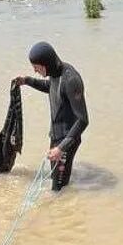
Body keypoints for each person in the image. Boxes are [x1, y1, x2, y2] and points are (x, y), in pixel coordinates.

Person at [13, 41, 89, 191]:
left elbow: (83, 120)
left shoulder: (71, 80)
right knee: (57, 181)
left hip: (67, 140)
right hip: (56, 135)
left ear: (46, 64)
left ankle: (62, 213)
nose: (35, 71)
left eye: (36, 68)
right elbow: (51, 87)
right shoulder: (55, 74)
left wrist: (61, 148)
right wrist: (27, 81)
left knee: (58, 190)